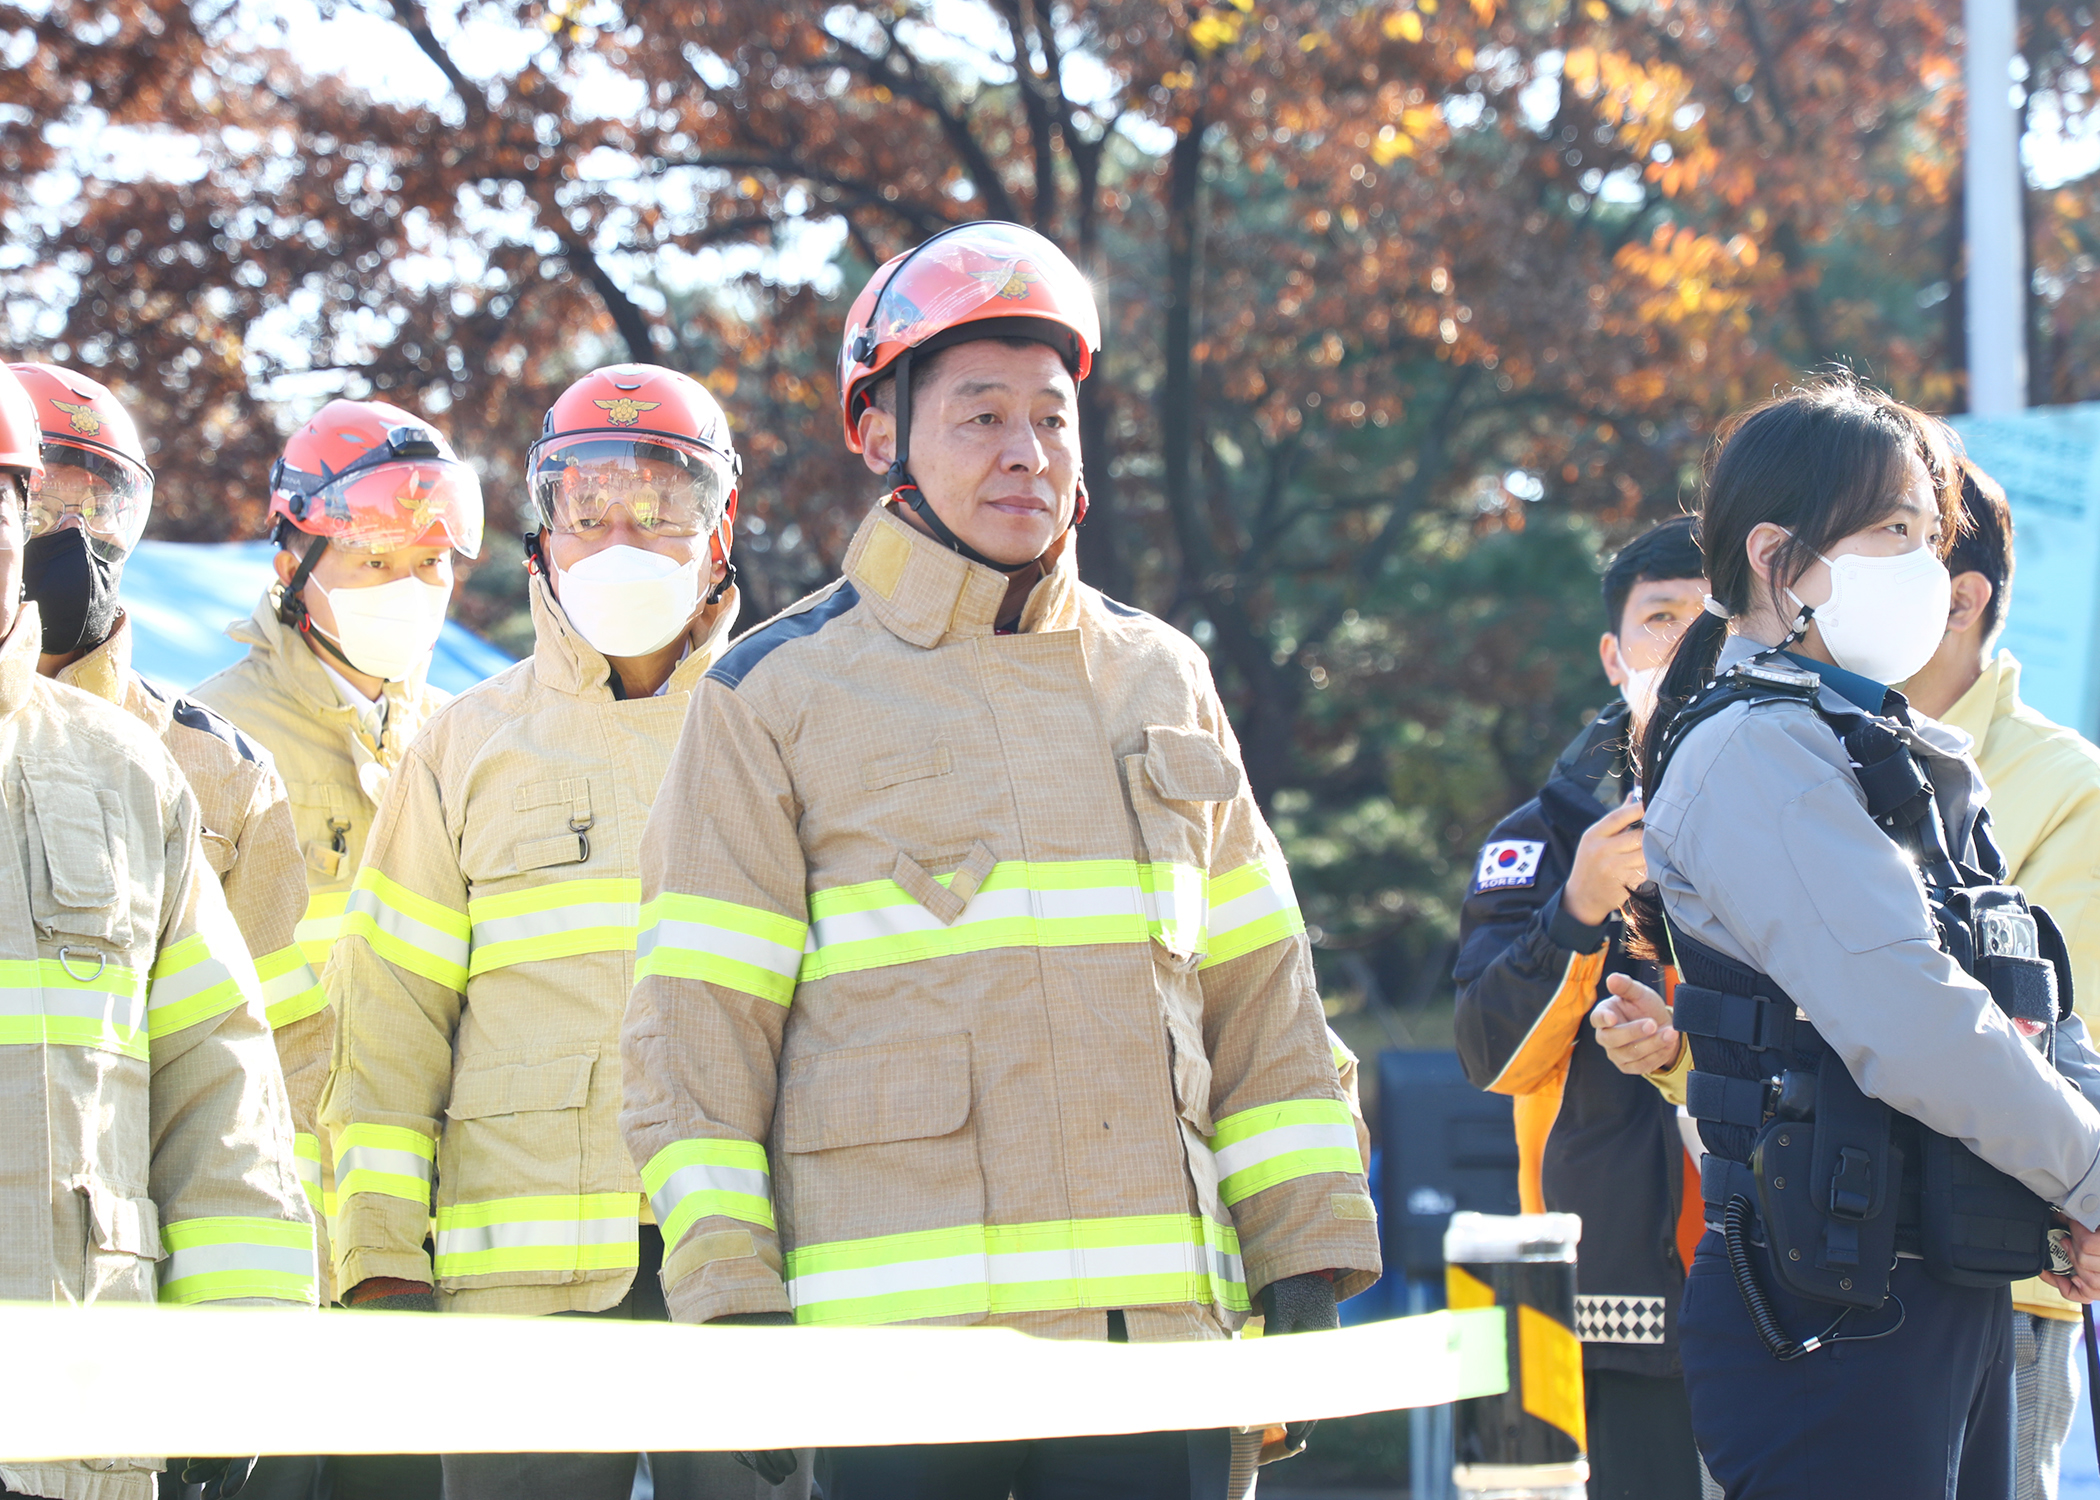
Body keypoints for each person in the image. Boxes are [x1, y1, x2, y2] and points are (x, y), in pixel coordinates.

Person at [619, 220, 1380, 1500]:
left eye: (1052, 415)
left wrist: (1304, 1255)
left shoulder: (1166, 678)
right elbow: (699, 1029)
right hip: (901, 1367)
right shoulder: (772, 696)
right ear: (880, 435)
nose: (1026, 450)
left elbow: (1261, 993)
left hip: (1160, 1355)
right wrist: (731, 1302)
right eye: (979, 416)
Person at [318, 365, 806, 1500]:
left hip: (749, 1283)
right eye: (589, 508)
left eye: (662, 505)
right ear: (545, 525)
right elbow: (388, 1021)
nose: (624, 539)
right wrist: (383, 1263)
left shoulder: (795, 722)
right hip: (516, 1302)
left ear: (719, 522)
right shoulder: (464, 747)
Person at [1633, 374, 2100, 1500]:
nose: (1929, 571)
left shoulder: (1889, 744)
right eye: (1895, 531)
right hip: (1824, 1296)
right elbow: (1909, 1011)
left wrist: (2078, 1184)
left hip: (1933, 1274)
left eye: (1933, 539)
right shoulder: (1756, 752)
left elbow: (2025, 996)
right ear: (1778, 558)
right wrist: (2090, 1174)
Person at [0, 363, 316, 1500]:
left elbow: (230, 1071)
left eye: (93, 509)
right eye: (44, 510)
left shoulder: (155, 765)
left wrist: (238, 1340)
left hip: (79, 1396)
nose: (60, 541)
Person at [191, 396, 480, 1500]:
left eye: (430, 560)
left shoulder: (468, 741)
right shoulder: (203, 740)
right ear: (291, 556)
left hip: (417, 1254)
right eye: (371, 559)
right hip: (261, 1249)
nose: (409, 589)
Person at [1453, 515, 1709, 1500]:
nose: (1689, 644)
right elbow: (1487, 1051)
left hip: (1789, 1284)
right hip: (1601, 1305)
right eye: (1662, 618)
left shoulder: (1811, 804)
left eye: (1713, 619)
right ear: (1614, 654)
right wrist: (1579, 907)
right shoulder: (1545, 838)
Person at [1900, 457, 2100, 1500]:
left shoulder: (2069, 786)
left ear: (1964, 598)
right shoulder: (1811, 748)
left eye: (1894, 544)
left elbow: (2059, 1041)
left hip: (2001, 1279)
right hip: (1825, 1274)